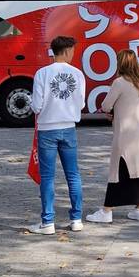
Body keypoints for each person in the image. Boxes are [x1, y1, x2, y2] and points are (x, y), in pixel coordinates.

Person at [86, 50, 139, 224]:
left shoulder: (119, 82)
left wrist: (111, 111)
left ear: (120, 64)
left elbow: (106, 105)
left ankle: (107, 210)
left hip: (126, 131)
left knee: (118, 170)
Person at [28, 36, 86, 235]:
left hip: (47, 128)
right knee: (73, 175)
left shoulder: (42, 73)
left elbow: (36, 105)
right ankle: (76, 218)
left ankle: (48, 221)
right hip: (69, 126)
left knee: (47, 177)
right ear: (68, 50)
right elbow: (80, 104)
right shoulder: (77, 74)